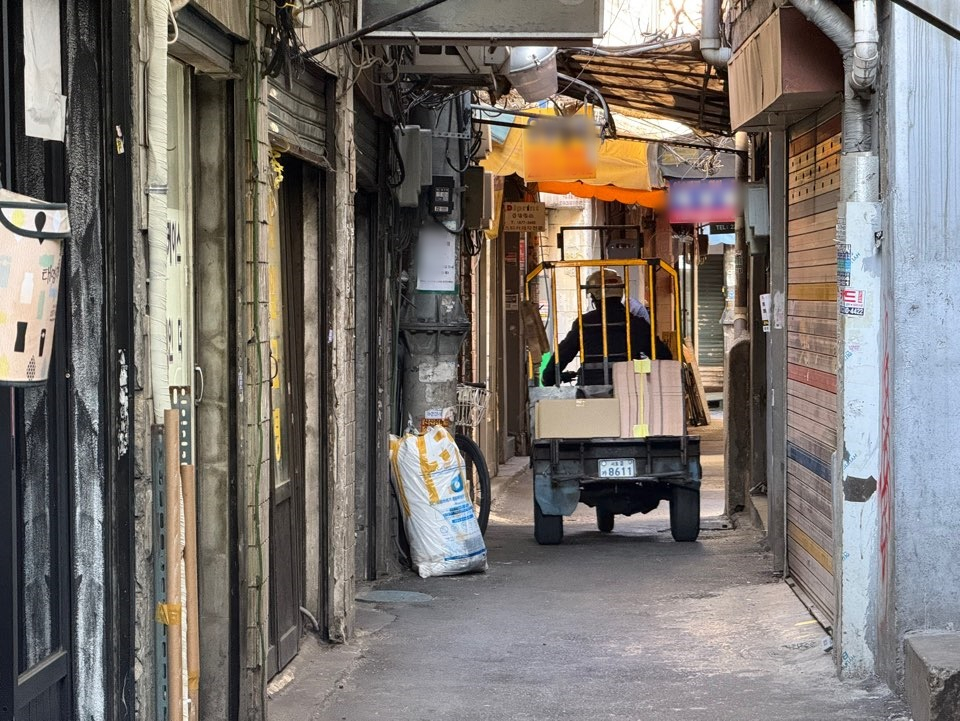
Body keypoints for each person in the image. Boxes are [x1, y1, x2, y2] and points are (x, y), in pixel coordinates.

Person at [541, 269, 672, 386]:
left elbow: (563, 353)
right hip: (628, 390)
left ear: (595, 295)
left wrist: (549, 378)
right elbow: (664, 357)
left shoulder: (584, 323)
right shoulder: (637, 324)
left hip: (590, 391)